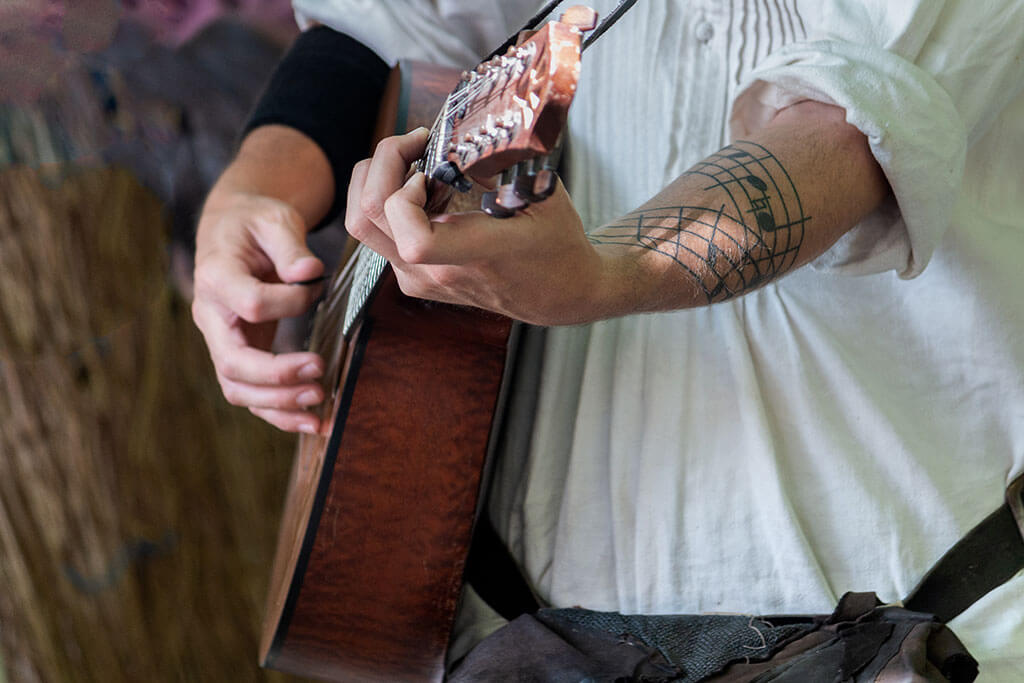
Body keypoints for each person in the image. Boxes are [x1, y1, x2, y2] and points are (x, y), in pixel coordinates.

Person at [191, 0, 1024, 678]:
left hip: (898, 618)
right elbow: (382, 32)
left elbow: (849, 130)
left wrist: (607, 270)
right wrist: (255, 192)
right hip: (526, 634)